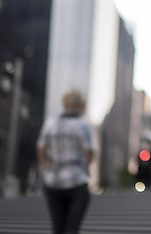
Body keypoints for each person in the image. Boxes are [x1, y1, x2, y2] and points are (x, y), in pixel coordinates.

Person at [37, 90, 94, 234]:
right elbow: (89, 151)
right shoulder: (82, 125)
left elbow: (40, 148)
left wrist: (46, 167)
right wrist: (85, 166)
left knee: (57, 228)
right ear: (81, 106)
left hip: (53, 183)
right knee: (71, 229)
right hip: (76, 182)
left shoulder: (50, 123)